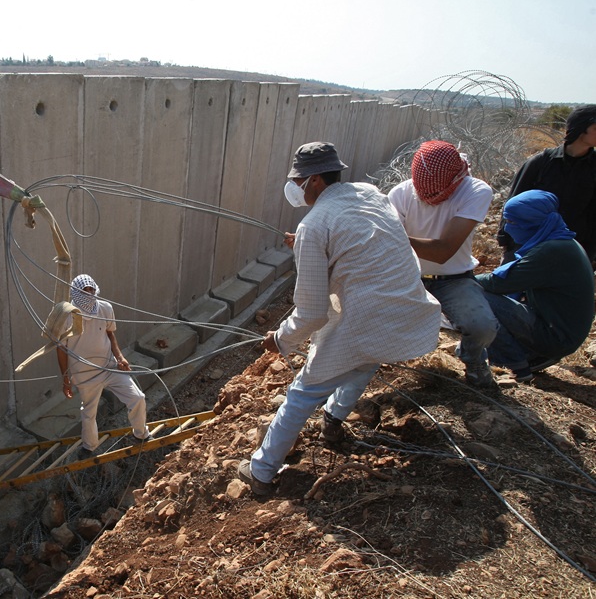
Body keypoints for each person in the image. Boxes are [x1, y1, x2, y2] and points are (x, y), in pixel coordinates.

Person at [238, 142, 441, 496]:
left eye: (297, 179)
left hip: (370, 315)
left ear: (314, 180)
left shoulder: (314, 225)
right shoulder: (370, 194)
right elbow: (361, 248)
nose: (294, 185)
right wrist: (304, 244)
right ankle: (333, 421)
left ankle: (261, 471)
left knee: (302, 392)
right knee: (364, 359)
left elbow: (313, 312)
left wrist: (281, 339)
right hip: (406, 307)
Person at [388, 140, 499, 387]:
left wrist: (392, 236)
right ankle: (366, 368)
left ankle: (473, 359)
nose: (429, 198)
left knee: (482, 327)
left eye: (438, 193)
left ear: (456, 178)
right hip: (408, 275)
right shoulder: (401, 193)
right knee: (367, 314)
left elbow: (443, 251)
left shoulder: (475, 191)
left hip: (453, 278)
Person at [477, 190, 595, 381]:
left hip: (555, 337)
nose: (508, 229)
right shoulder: (562, 240)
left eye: (513, 222)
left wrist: (457, 279)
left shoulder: (552, 251)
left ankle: (514, 362)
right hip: (560, 331)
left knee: (478, 295)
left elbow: (497, 283)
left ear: (532, 222)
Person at [56, 274, 151, 454]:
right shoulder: (66, 316)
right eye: (84, 291)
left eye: (91, 290)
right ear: (75, 294)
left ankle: (141, 435)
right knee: (89, 413)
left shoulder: (105, 308)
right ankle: (89, 447)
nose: (89, 294)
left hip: (109, 367)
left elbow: (110, 334)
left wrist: (120, 358)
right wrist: (65, 379)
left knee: (137, 398)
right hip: (85, 374)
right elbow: (60, 349)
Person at [498, 104, 596, 262]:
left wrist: (589, 257)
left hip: (572, 251)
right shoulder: (541, 162)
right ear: (581, 127)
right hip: (529, 247)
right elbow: (514, 203)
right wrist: (507, 246)